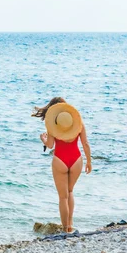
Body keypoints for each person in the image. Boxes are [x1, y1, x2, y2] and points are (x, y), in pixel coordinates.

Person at [32, 97, 92, 233]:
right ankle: (70, 225)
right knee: (70, 192)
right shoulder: (78, 124)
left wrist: (43, 139)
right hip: (76, 159)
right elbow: (85, 144)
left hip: (60, 160)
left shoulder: (53, 126)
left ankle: (65, 229)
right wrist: (89, 161)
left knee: (63, 197)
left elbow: (50, 145)